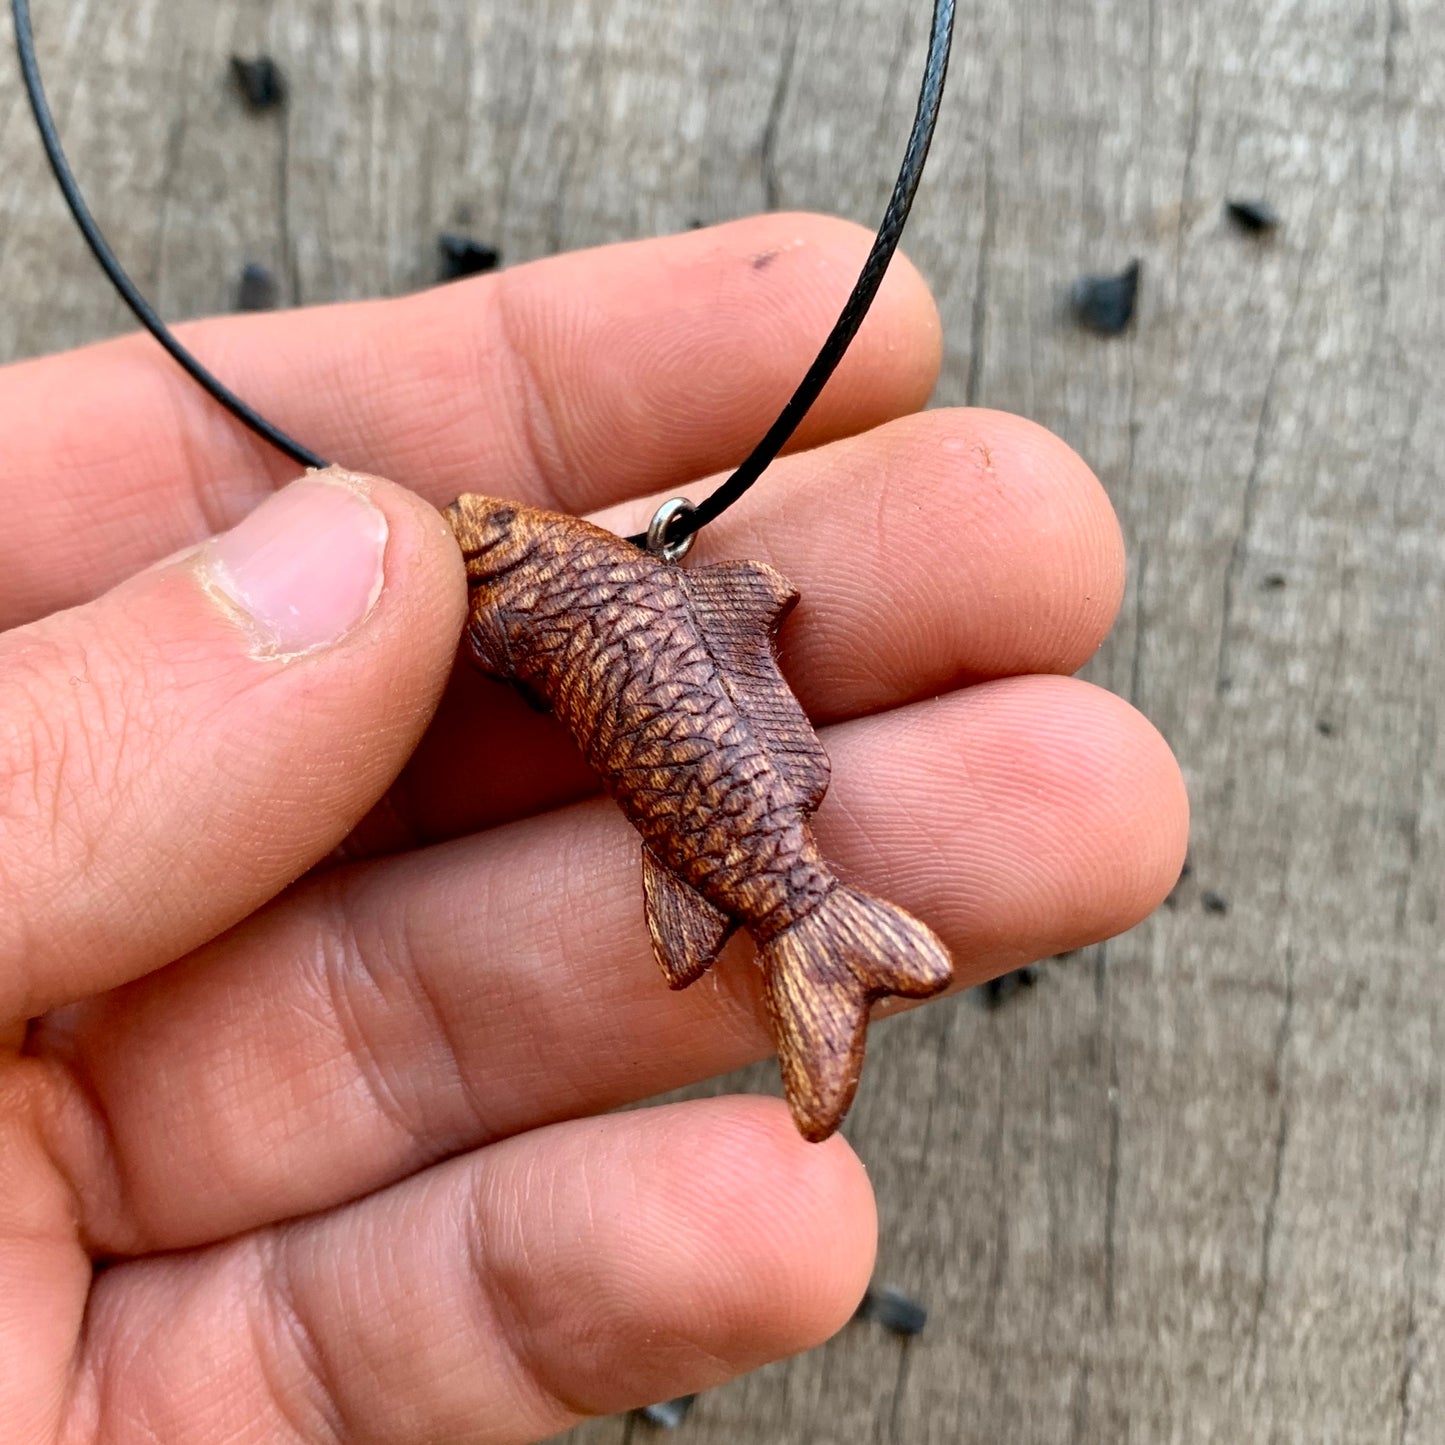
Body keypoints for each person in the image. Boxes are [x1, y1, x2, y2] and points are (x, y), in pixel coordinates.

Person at [0, 214, 1187, 1443]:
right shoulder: (553, 597)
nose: (481, 541)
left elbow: (548, 637)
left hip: (728, 808)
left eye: (494, 538)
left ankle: (815, 934)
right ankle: (815, 935)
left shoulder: (563, 598)